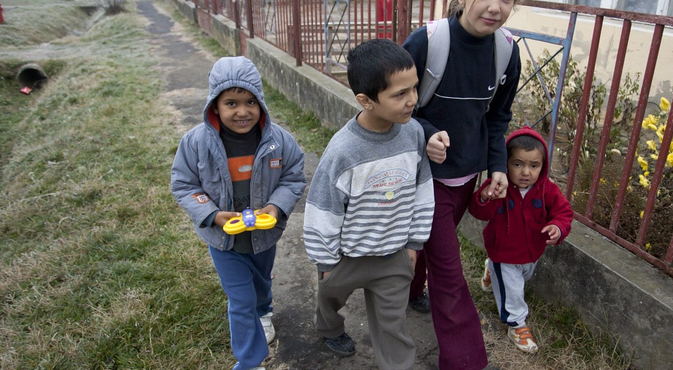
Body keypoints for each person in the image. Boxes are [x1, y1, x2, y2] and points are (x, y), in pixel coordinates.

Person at [402, 0, 522, 367]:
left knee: (430, 248)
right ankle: (465, 361)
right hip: (425, 179)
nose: (495, 7)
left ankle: (407, 291)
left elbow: (499, 117)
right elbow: (394, 107)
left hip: (466, 179)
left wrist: (497, 166)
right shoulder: (426, 42)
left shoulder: (506, 50)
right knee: (449, 273)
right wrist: (426, 132)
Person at [303, 39, 434, 370]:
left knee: (394, 327)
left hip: (393, 257)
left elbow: (422, 192)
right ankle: (329, 328)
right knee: (329, 299)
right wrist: (327, 263)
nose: (412, 101)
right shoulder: (343, 151)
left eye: (414, 89)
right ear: (366, 100)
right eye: (399, 94)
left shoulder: (414, 134)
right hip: (347, 257)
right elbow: (324, 210)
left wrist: (413, 244)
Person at [170, 56, 306, 370]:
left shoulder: (279, 142)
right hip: (223, 240)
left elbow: (293, 177)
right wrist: (213, 214)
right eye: (231, 103)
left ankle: (265, 310)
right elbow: (183, 184)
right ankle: (249, 361)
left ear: (261, 104)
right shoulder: (196, 143)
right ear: (214, 106)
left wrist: (275, 207)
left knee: (260, 282)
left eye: (250, 102)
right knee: (240, 300)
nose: (242, 111)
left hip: (264, 234)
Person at [469, 126, 573, 353]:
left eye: (533, 166)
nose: (526, 172)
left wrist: (558, 226)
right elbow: (479, 212)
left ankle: (490, 271)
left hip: (532, 252)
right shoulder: (498, 187)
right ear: (505, 163)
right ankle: (516, 324)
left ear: (542, 166)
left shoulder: (547, 189)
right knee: (513, 291)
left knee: (524, 277)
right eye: (518, 164)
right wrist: (486, 196)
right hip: (503, 252)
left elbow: (563, 212)